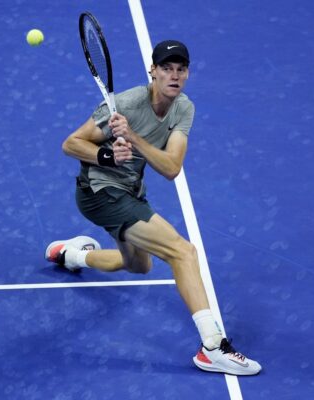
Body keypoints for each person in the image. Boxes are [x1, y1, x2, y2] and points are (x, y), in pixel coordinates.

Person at [46, 40, 261, 376]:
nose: (174, 75)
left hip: (130, 192)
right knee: (182, 252)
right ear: (153, 71)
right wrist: (105, 154)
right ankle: (213, 348)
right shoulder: (126, 104)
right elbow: (71, 143)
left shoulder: (183, 108)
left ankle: (71, 255)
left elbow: (171, 167)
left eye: (181, 69)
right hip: (99, 192)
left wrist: (133, 139)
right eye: (166, 69)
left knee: (137, 265)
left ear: (187, 74)